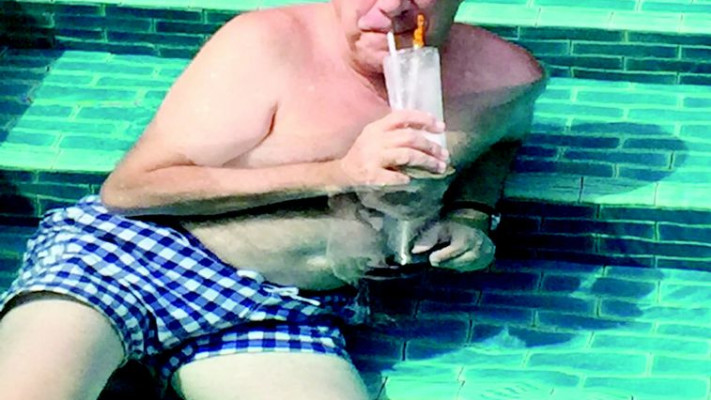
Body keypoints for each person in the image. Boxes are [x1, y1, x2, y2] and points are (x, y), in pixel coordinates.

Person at [0, 0, 546, 399]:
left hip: (283, 311)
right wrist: (339, 173)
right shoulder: (267, 44)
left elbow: (502, 139)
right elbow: (131, 189)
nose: (389, 9)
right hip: (139, 256)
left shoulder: (505, 77)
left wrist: (473, 216)